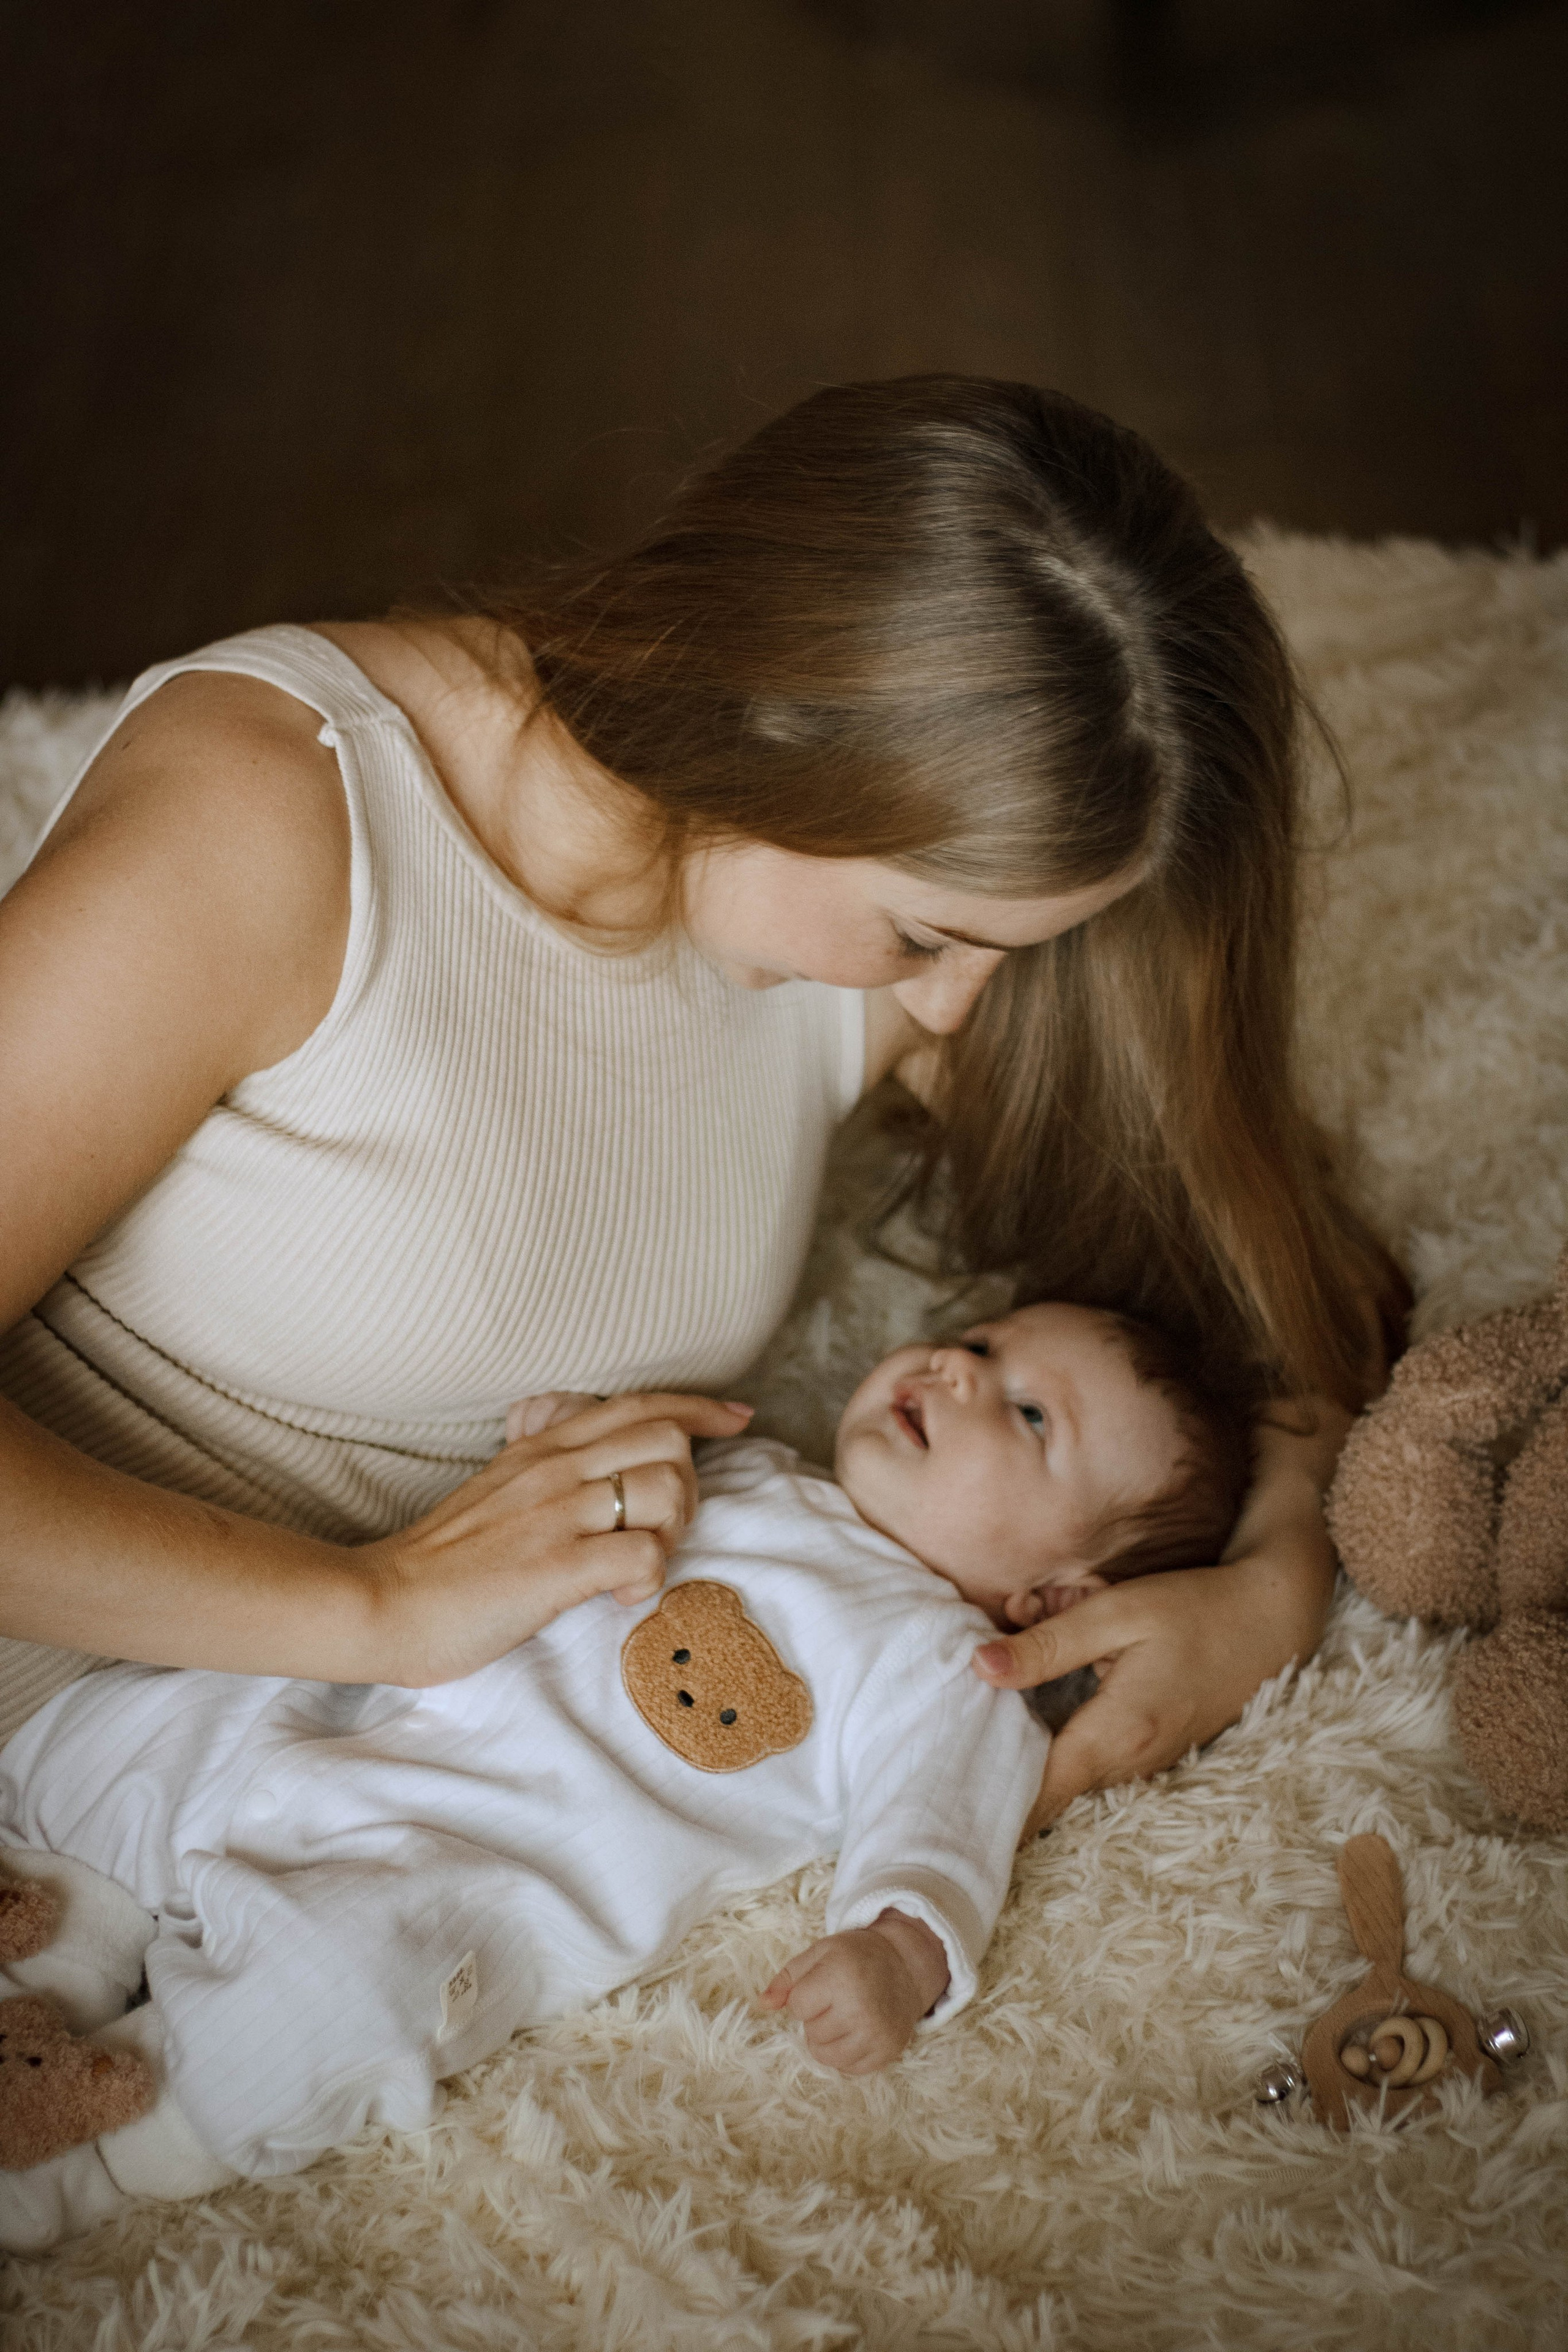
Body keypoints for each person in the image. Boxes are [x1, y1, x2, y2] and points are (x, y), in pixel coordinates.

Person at [0, 374, 1405, 1817]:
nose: (944, 1011)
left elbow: (1244, 1254)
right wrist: (373, 1611)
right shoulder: (281, 814)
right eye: (925, 936)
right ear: (790, 735)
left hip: (283, 1793)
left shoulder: (833, 910)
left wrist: (1269, 1583)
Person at [0, 1300, 1246, 2245]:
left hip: (444, 1872)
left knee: (332, 1997)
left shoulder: (951, 1674)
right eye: (977, 1340)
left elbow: (941, 1840)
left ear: (1054, 1594)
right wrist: (568, 1450)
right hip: (343, 1717)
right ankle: (55, 1966)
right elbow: (563, 1513)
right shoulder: (759, 1472)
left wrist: (893, 1951)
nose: (959, 1371)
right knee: (140, 1740)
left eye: (1028, 1415)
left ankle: (91, 2149)